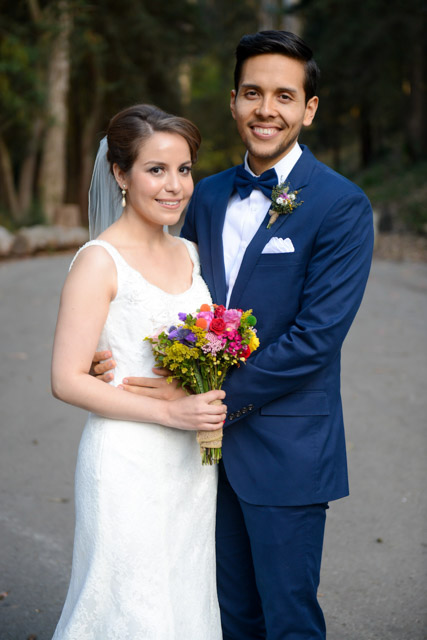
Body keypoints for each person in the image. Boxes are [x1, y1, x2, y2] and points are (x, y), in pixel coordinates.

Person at [93, 31, 374, 639]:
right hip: (193, 460)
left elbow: (316, 339)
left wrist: (213, 400)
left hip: (285, 451)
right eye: (253, 92)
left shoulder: (341, 206)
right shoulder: (205, 193)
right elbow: (164, 286)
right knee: (224, 618)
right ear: (233, 100)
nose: (266, 109)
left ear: (309, 108)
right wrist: (109, 347)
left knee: (289, 619)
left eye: (283, 96)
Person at [50, 104, 226, 640]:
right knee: (132, 610)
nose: (174, 186)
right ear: (120, 175)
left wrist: (199, 396)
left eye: (184, 169)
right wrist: (169, 411)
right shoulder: (99, 261)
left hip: (191, 468)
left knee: (183, 604)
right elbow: (67, 378)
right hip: (125, 464)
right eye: (156, 170)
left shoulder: (193, 254)